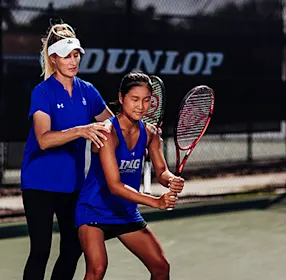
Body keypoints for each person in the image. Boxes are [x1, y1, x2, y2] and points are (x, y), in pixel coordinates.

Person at [20, 21, 113, 280]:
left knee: (73, 247)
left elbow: (112, 125)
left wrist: (141, 128)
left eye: (76, 55)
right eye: (66, 56)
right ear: (53, 58)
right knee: (40, 250)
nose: (72, 61)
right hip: (38, 182)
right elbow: (44, 139)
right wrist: (82, 130)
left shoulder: (88, 91)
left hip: (72, 185)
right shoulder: (42, 92)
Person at [75, 71, 185, 280]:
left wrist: (172, 180)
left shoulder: (151, 134)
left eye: (146, 100)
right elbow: (115, 185)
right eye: (134, 99)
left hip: (124, 212)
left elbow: (161, 172)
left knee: (161, 268)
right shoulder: (108, 133)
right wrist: (156, 202)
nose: (141, 106)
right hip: (94, 209)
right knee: (97, 269)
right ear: (121, 98)